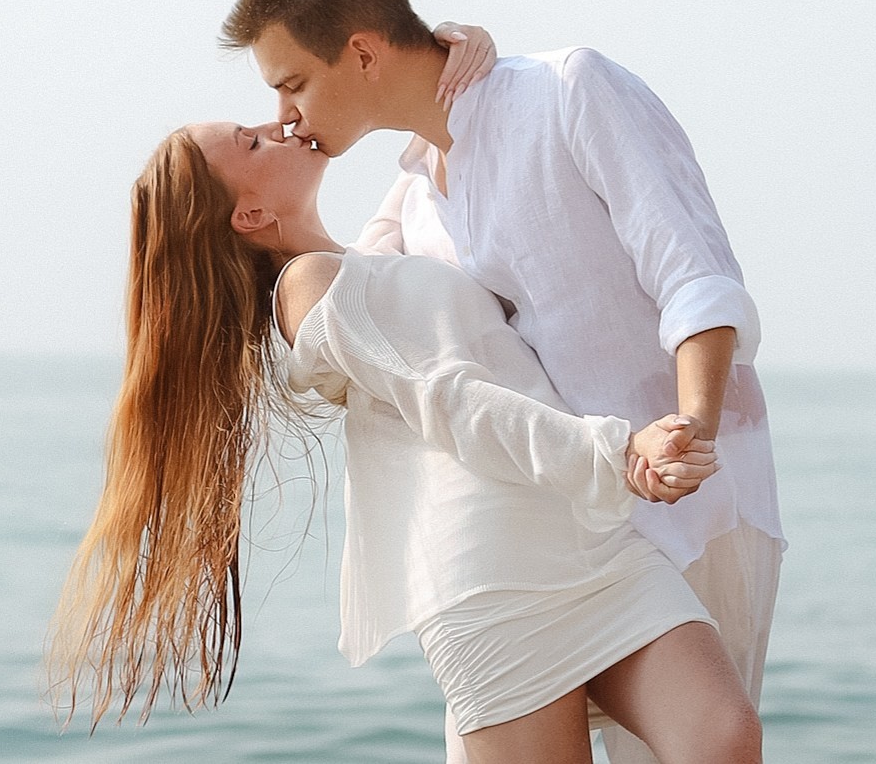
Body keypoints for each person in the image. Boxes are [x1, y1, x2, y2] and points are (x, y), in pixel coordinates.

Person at [222, 0, 783, 764]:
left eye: (293, 83)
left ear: (363, 52)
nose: (283, 114)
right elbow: (382, 346)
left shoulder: (567, 92)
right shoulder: (411, 204)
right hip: (555, 523)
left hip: (692, 494)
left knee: (715, 743)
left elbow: (694, 273)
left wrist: (691, 428)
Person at [51, 118, 763, 764]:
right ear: (252, 214)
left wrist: (456, 54)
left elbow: (424, 144)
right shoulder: (310, 287)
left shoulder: (366, 257)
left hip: (592, 544)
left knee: (723, 737)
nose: (280, 121)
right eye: (254, 140)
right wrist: (618, 453)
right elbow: (450, 397)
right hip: (492, 578)